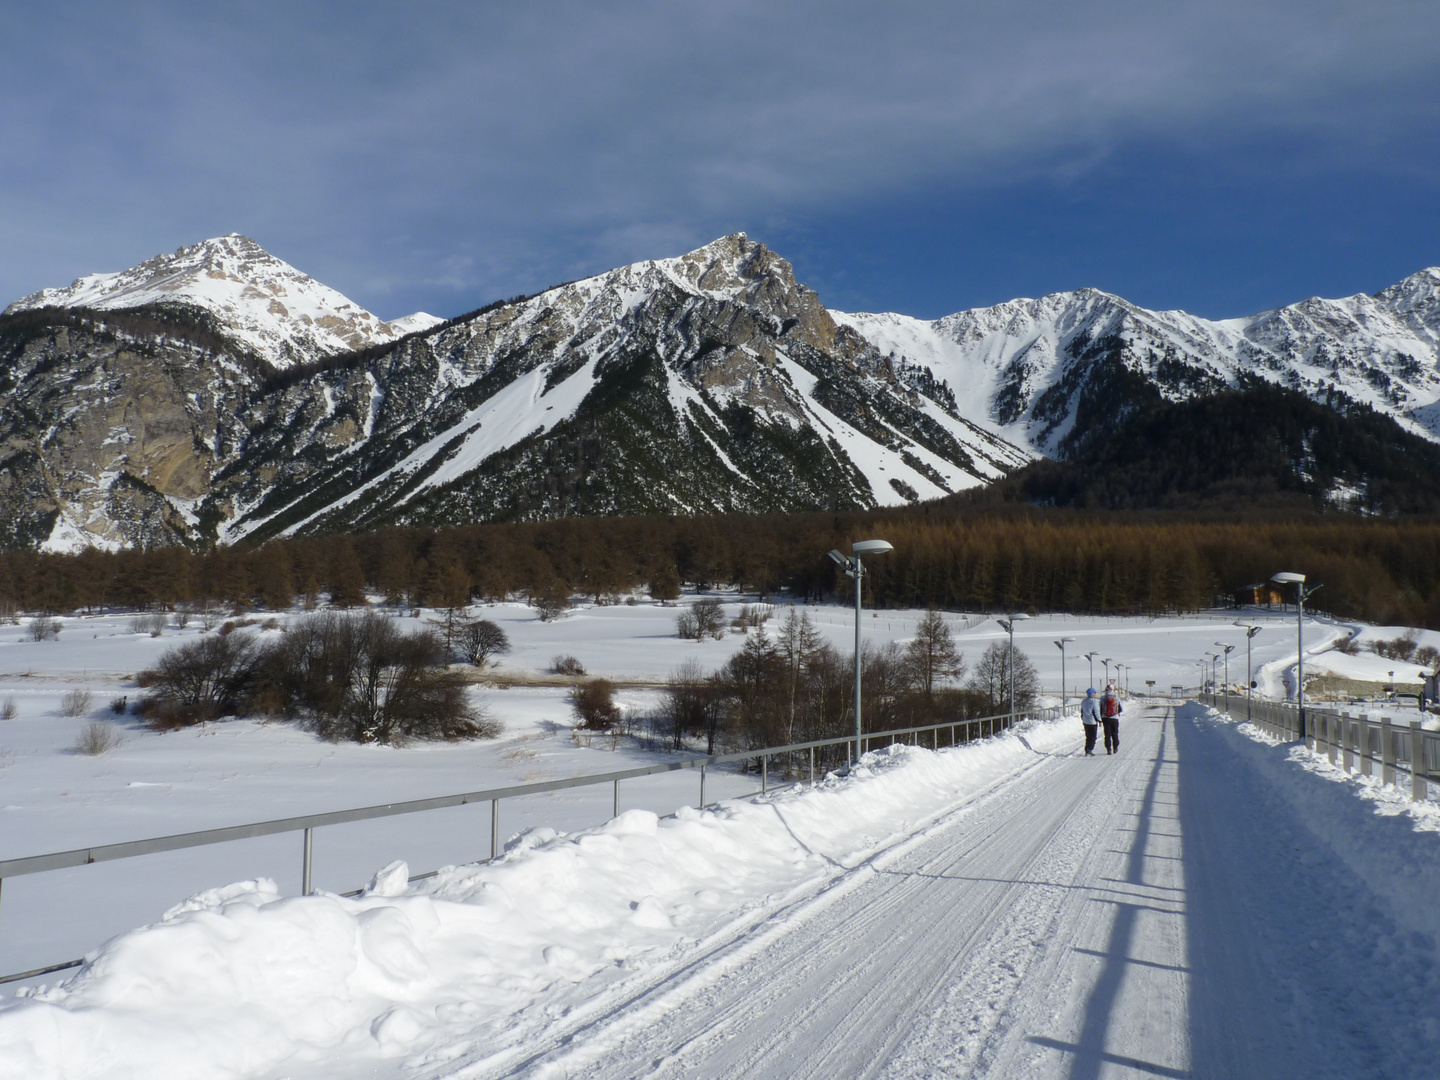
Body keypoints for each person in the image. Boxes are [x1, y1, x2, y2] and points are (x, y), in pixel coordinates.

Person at [1100, 683, 1123, 754]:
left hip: (1105, 718)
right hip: (1114, 718)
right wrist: (1116, 713)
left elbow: (1100, 708)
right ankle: (1115, 748)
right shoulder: (1116, 697)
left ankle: (1108, 749)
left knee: (1107, 734)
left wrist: (1101, 717)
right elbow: (1121, 709)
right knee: (1115, 733)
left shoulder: (1103, 698)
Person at [1080, 687, 1100, 755]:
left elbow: (1082, 711)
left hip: (1085, 721)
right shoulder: (1094, 701)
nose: (1095, 694)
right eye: (1094, 692)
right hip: (1092, 721)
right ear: (1092, 694)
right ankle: (1089, 749)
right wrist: (1099, 720)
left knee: (1088, 736)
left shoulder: (1084, 701)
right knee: (1093, 736)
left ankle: (1087, 749)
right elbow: (1096, 711)